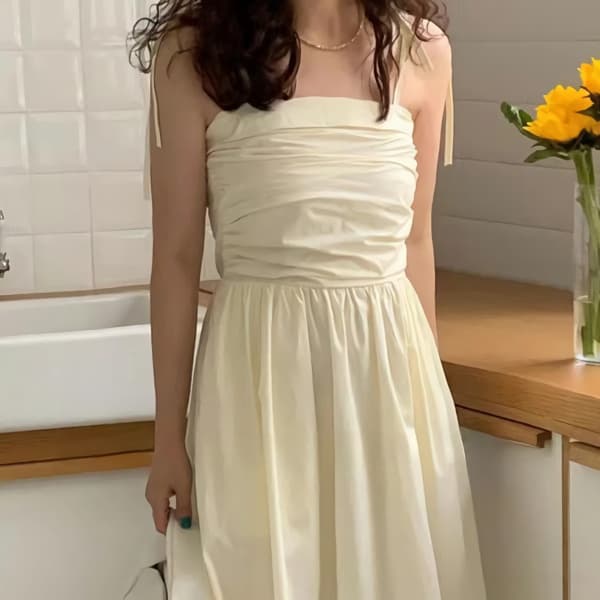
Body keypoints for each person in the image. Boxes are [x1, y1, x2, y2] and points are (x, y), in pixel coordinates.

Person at [130, 0, 487, 598]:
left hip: (386, 380)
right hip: (258, 383)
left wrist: (432, 409)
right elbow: (175, 260)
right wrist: (169, 439)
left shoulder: (423, 51)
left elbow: (415, 241)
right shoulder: (194, 53)